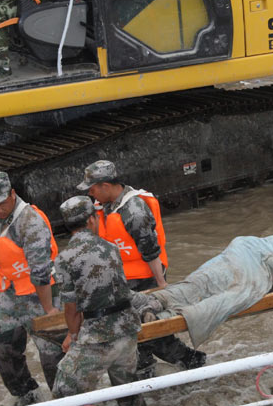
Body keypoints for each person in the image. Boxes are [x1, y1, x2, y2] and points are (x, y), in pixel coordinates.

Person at [77, 160, 206, 379]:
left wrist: (161, 285)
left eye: (92, 189)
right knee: (135, 335)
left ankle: (194, 361)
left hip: (145, 279)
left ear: (105, 186)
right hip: (123, 281)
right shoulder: (106, 205)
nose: (90, 194)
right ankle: (147, 373)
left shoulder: (134, 211)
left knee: (151, 333)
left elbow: (151, 251)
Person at [46, 196, 154, 406]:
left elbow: (71, 308)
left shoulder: (65, 258)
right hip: (126, 331)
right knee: (127, 387)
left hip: (97, 337)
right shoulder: (111, 248)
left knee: (65, 387)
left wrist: (73, 337)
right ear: (91, 220)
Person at [0, 171, 63, 406]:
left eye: (1, 203)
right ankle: (27, 396)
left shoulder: (31, 223)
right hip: (12, 294)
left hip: (43, 293)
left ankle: (66, 404)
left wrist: (49, 312)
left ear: (13, 194)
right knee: (4, 349)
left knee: (52, 354)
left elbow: (41, 273)